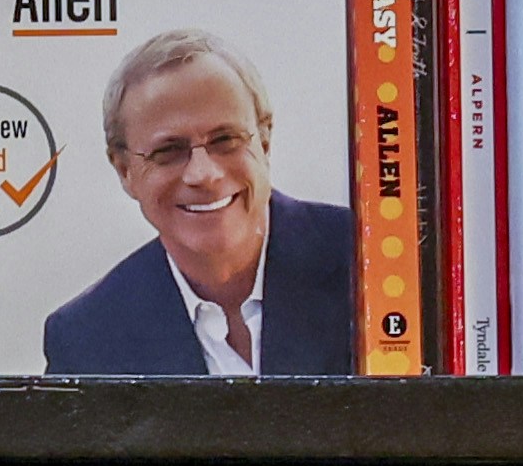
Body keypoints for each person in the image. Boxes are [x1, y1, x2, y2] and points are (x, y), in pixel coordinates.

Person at [36, 27, 363, 377]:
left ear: (264, 143)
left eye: (225, 140)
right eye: (168, 151)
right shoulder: (88, 339)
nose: (204, 174)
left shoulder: (370, 263)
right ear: (125, 171)